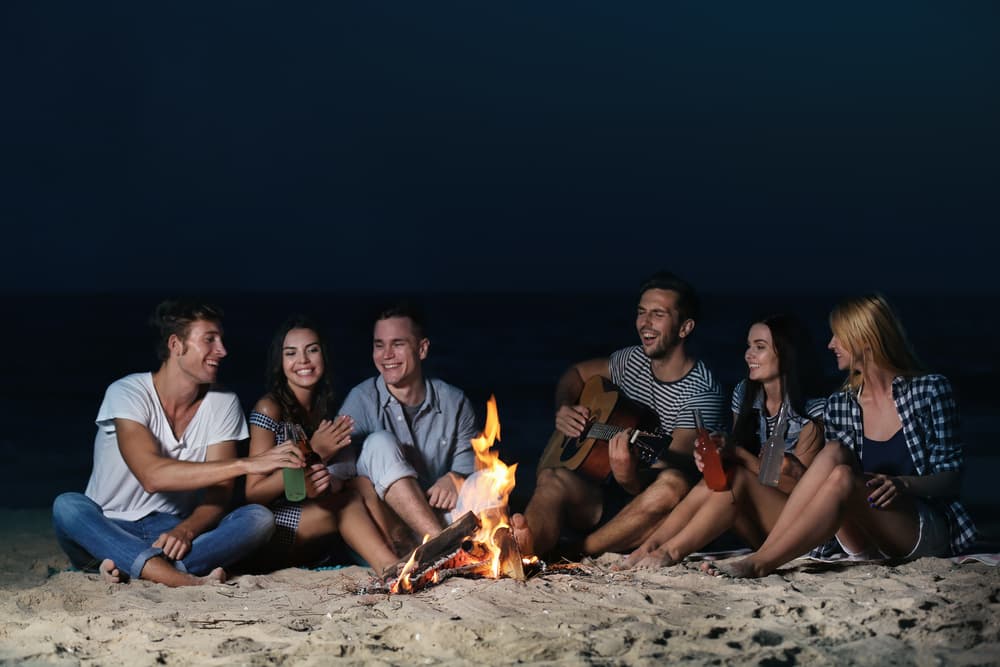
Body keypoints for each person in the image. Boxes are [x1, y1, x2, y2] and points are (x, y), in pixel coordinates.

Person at [709, 294, 978, 578]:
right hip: (863, 536)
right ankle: (766, 553)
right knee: (835, 454)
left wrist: (904, 484)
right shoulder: (841, 404)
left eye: (838, 336)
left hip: (919, 527)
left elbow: (951, 479)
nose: (830, 344)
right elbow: (835, 478)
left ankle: (761, 562)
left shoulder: (930, 391)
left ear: (865, 338)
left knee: (842, 477)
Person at [52, 300, 305, 587]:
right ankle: (180, 577)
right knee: (68, 507)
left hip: (168, 529)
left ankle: (135, 567)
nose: (222, 351)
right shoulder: (127, 393)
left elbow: (217, 498)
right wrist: (248, 463)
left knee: (259, 519)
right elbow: (152, 476)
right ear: (176, 345)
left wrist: (185, 530)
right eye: (209, 340)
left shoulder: (222, 403)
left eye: (221, 340)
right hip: (108, 527)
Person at [511, 270, 726, 559]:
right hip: (605, 491)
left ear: (684, 328)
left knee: (673, 483)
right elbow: (575, 373)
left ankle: (576, 551)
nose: (644, 323)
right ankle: (523, 550)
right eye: (641, 312)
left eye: (658, 314)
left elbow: (679, 468)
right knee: (553, 477)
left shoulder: (702, 394)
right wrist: (564, 406)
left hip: (659, 513)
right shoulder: (631, 359)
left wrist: (630, 478)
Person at [621, 314, 827, 569]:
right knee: (722, 475)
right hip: (757, 527)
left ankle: (671, 552)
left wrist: (737, 454)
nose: (748, 355)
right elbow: (741, 465)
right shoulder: (745, 396)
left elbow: (803, 494)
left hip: (799, 532)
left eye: (759, 347)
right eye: (749, 346)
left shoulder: (812, 415)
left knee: (736, 475)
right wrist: (716, 456)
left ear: (786, 353)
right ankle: (651, 546)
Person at [244, 315, 399, 575]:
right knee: (346, 502)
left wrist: (326, 480)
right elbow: (253, 494)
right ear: (280, 363)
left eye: (312, 350)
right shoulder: (269, 408)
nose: (303, 361)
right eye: (291, 353)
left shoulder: (321, 408)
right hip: (272, 527)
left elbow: (322, 481)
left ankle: (398, 552)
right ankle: (391, 568)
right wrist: (313, 453)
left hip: (309, 518)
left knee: (360, 484)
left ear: (323, 356)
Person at [339, 302, 478, 548]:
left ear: (422, 349)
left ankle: (483, 548)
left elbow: (471, 467)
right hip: (391, 532)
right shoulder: (360, 400)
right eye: (379, 345)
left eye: (398, 344)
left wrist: (455, 479)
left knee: (489, 481)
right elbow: (338, 477)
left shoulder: (455, 402)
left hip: (441, 517)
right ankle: (442, 547)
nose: (386, 355)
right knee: (379, 443)